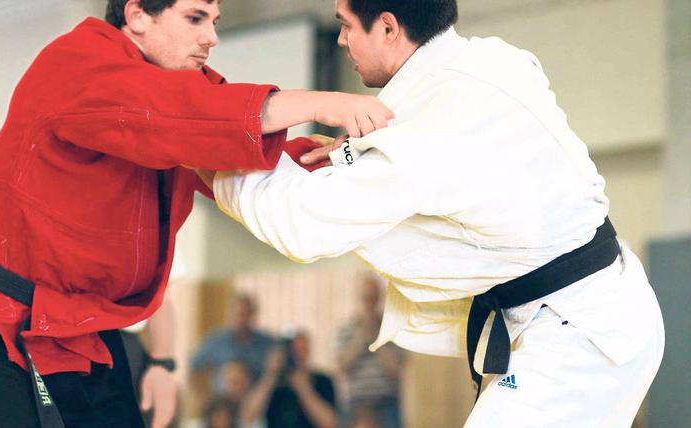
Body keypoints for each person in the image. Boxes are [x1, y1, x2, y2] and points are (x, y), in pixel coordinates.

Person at [0, 0, 393, 427]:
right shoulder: (76, 64)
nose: (211, 37)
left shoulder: (177, 96)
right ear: (137, 15)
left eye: (214, 21)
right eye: (194, 19)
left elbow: (248, 161)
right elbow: (180, 112)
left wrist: (348, 158)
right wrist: (326, 102)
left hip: (85, 328)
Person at [198, 0, 665, 426]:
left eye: (346, 25)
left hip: (582, 335)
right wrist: (352, 153)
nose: (340, 40)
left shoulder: (427, 133)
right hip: (600, 307)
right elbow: (438, 146)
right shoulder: (490, 59)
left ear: (387, 28)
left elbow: (302, 225)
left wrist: (205, 151)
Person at [335, 275, 403, 428]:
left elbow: (397, 370)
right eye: (366, 298)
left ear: (380, 299)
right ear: (359, 299)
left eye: (373, 298)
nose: (370, 304)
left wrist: (376, 341)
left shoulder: (392, 330)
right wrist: (360, 340)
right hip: (356, 402)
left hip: (386, 401)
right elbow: (341, 366)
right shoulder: (345, 330)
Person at [240, 332, 336, 428]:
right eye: (292, 350)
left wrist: (304, 389)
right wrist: (270, 376)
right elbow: (248, 417)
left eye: (301, 350)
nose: (296, 355)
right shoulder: (272, 383)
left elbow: (329, 422)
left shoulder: (322, 380)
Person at [191, 294, 275, 393]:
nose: (242, 320)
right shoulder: (216, 341)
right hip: (222, 398)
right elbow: (194, 368)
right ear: (230, 315)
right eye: (239, 314)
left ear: (253, 315)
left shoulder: (267, 344)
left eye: (246, 314)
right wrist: (201, 396)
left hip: (256, 398)